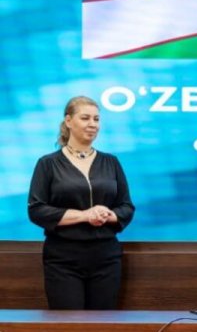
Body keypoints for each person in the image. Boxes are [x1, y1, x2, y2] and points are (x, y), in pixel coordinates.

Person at [27, 95, 135, 310]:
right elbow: (37, 210)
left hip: (106, 257)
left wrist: (107, 215)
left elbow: (126, 207)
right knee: (69, 324)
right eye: (85, 118)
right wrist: (85, 215)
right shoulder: (48, 163)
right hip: (63, 258)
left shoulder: (111, 162)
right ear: (68, 121)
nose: (93, 124)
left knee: (104, 324)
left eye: (96, 119)